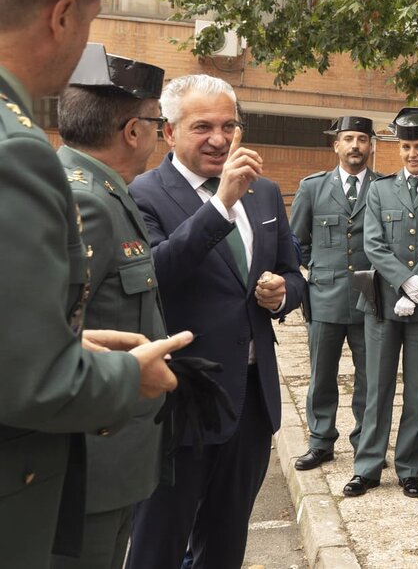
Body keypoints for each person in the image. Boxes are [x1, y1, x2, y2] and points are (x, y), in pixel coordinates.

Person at [0, 0, 187, 567]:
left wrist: (72, 339)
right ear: (60, 18)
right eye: (89, 19)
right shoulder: (18, 152)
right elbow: (24, 378)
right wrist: (123, 377)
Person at [126, 74, 306, 568]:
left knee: (226, 544)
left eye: (230, 126)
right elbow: (155, 274)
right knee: (159, 543)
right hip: (181, 398)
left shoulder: (266, 193)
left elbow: (295, 274)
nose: (219, 139)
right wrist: (221, 202)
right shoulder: (142, 194)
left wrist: (281, 294)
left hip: (250, 398)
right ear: (169, 132)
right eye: (202, 126)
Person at [51, 45, 169, 569]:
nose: (161, 133)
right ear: (133, 131)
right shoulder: (88, 203)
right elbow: (50, 341)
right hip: (91, 464)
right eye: (158, 121)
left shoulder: (108, 191)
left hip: (115, 454)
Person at [348, 108, 418, 499]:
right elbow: (373, 245)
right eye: (407, 146)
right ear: (399, 148)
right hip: (382, 304)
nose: (413, 154)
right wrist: (403, 282)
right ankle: (367, 467)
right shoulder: (379, 190)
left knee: (417, 390)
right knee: (377, 387)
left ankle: (411, 469)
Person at [289, 116, 381, 471]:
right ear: (336, 145)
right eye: (348, 139)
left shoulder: (383, 187)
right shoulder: (312, 187)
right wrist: (317, 268)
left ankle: (365, 441)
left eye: (361, 139)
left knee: (368, 376)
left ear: (371, 145)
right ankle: (320, 441)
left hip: (369, 298)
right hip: (324, 295)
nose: (355, 145)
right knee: (321, 373)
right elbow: (297, 241)